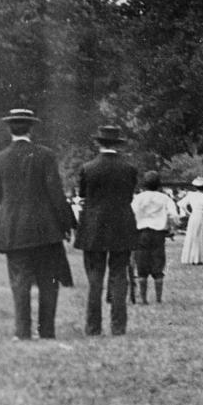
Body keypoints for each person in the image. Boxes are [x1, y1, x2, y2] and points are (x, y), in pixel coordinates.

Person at [0, 108, 76, 340]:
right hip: (45, 229)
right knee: (49, 282)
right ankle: (47, 330)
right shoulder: (45, 155)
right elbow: (56, 193)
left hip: (14, 230)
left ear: (10, 129)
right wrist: (66, 224)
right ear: (31, 128)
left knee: (20, 282)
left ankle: (22, 331)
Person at [74, 126, 138, 337]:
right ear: (117, 144)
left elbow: (84, 196)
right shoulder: (129, 169)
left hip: (94, 227)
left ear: (98, 143)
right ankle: (118, 327)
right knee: (119, 276)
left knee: (95, 279)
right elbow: (129, 196)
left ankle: (93, 327)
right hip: (121, 225)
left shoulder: (87, 168)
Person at [130, 170, 178, 304]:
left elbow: (131, 214)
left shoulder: (138, 198)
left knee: (141, 265)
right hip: (158, 234)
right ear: (159, 184)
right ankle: (158, 299)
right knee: (158, 264)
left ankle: (144, 299)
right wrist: (172, 227)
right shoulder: (165, 198)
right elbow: (174, 215)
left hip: (141, 233)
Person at [180, 178, 203, 265]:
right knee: (200, 236)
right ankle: (198, 258)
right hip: (200, 216)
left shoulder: (191, 195)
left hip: (193, 216)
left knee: (193, 236)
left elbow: (181, 204)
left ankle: (192, 257)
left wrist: (188, 213)